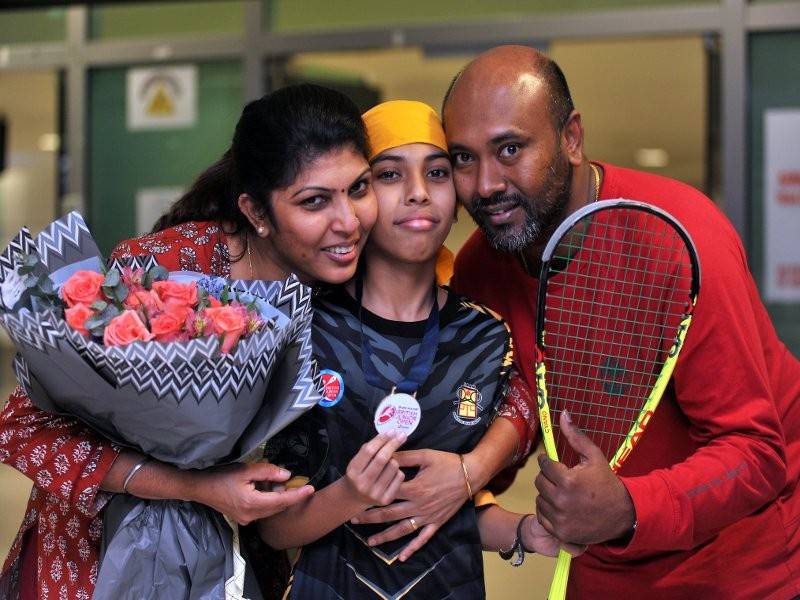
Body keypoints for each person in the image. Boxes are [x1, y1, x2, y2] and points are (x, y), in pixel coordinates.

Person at [443, 45, 800, 598]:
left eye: (510, 148)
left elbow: (755, 453)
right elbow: (503, 423)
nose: (486, 184)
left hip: (741, 571)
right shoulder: (478, 269)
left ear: (571, 138)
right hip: (601, 568)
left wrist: (629, 506)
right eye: (464, 158)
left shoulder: (681, 239)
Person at [0, 83, 378, 600]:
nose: (349, 222)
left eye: (359, 188)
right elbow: (24, 430)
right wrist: (195, 487)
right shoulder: (172, 270)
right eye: (314, 202)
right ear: (257, 213)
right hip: (98, 560)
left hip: (240, 567)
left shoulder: (348, 289)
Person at [258, 100, 579, 600]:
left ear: (457, 201)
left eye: (437, 173)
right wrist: (350, 495)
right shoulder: (304, 328)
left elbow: (453, 510)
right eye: (389, 175)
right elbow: (271, 529)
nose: (417, 194)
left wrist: (524, 533)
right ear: (360, 199)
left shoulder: (486, 339)